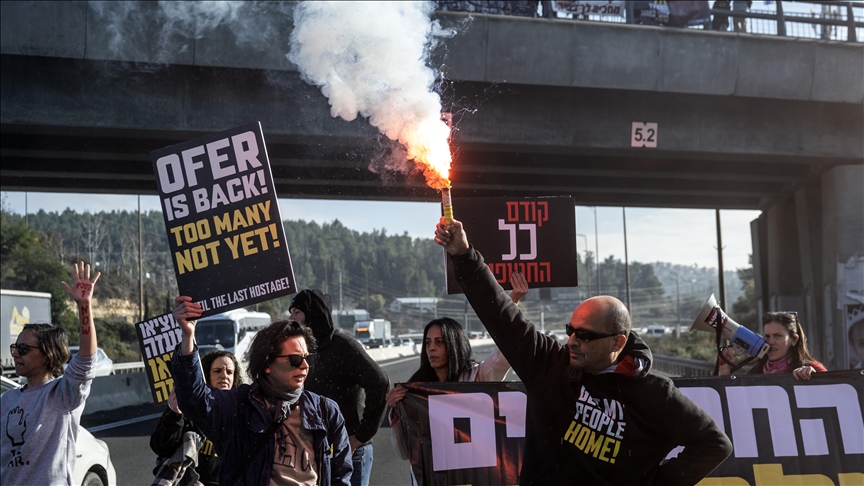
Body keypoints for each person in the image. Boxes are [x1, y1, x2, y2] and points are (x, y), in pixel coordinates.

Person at [434, 218, 732, 485]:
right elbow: (503, 316)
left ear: (618, 342)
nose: (573, 341)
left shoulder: (655, 393)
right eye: (571, 330)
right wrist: (464, 255)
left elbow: (714, 443)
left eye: (586, 335)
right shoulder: (549, 364)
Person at [171, 296, 353, 486]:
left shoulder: (326, 411)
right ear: (267, 365)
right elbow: (194, 399)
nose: (305, 366)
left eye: (309, 358)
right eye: (295, 360)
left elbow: (341, 474)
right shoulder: (238, 406)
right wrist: (188, 335)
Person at [1, 262, 101, 485]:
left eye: (24, 349)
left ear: (47, 355)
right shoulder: (7, 399)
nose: (16, 354)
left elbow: (86, 361)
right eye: (15, 348)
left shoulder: (62, 395)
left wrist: (84, 306)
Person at [288, 289, 389, 486]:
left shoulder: (342, 346)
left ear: (313, 313)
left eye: (297, 312)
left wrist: (361, 436)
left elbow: (379, 382)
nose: (291, 318)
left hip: (350, 451)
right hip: (313, 452)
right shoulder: (304, 350)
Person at [150, 349, 242, 486]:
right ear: (206, 375)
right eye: (217, 371)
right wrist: (174, 412)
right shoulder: (188, 408)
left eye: (229, 372)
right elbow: (161, 447)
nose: (224, 376)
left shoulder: (241, 412)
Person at [718, 311, 827, 380]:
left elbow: (833, 389)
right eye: (767, 336)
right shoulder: (756, 372)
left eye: (778, 336)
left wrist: (815, 376)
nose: (770, 342)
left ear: (794, 340)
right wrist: (724, 369)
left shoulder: (811, 368)